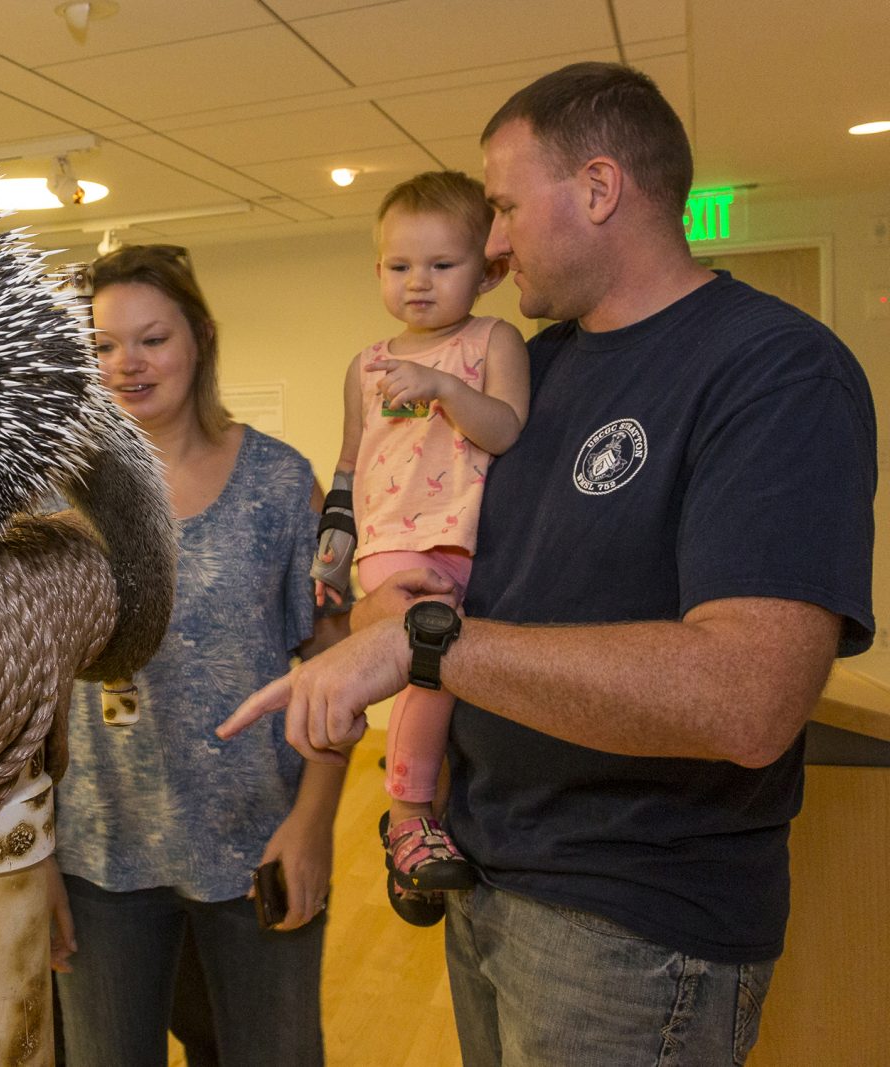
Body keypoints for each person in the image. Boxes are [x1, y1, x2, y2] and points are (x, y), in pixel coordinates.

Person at [220, 61, 875, 1066]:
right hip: (487, 878)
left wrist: (420, 643)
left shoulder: (772, 368)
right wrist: (382, 608)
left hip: (633, 927)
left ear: (600, 190)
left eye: (504, 206)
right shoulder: (537, 368)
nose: (486, 242)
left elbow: (748, 695)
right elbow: (439, 583)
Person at [46, 243, 453, 1066]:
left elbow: (335, 666)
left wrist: (312, 824)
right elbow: (31, 693)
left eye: (152, 339)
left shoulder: (276, 482)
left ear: (199, 338)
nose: (126, 364)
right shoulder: (61, 494)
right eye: (103, 345)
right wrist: (35, 857)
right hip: (99, 854)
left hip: (256, 842)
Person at [309, 171, 528, 924]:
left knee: (456, 683)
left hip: (473, 538)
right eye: (400, 267)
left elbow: (504, 429)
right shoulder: (365, 365)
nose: (419, 284)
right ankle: (407, 816)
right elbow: (347, 463)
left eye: (442, 266)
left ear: (488, 269)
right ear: (378, 271)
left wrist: (441, 384)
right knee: (429, 663)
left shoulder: (495, 339)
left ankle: (420, 828)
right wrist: (332, 553)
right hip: (396, 541)